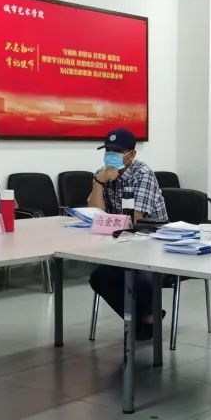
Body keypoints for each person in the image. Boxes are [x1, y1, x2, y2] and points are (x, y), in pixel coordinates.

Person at [87, 128, 169, 340]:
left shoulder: (143, 174)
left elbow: (135, 220)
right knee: (99, 277)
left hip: (152, 244)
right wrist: (99, 182)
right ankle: (144, 318)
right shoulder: (103, 173)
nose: (110, 155)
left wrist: (110, 224)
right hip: (121, 245)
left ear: (131, 154)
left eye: (117, 151)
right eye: (108, 150)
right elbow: (96, 214)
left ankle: (144, 319)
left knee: (142, 281)